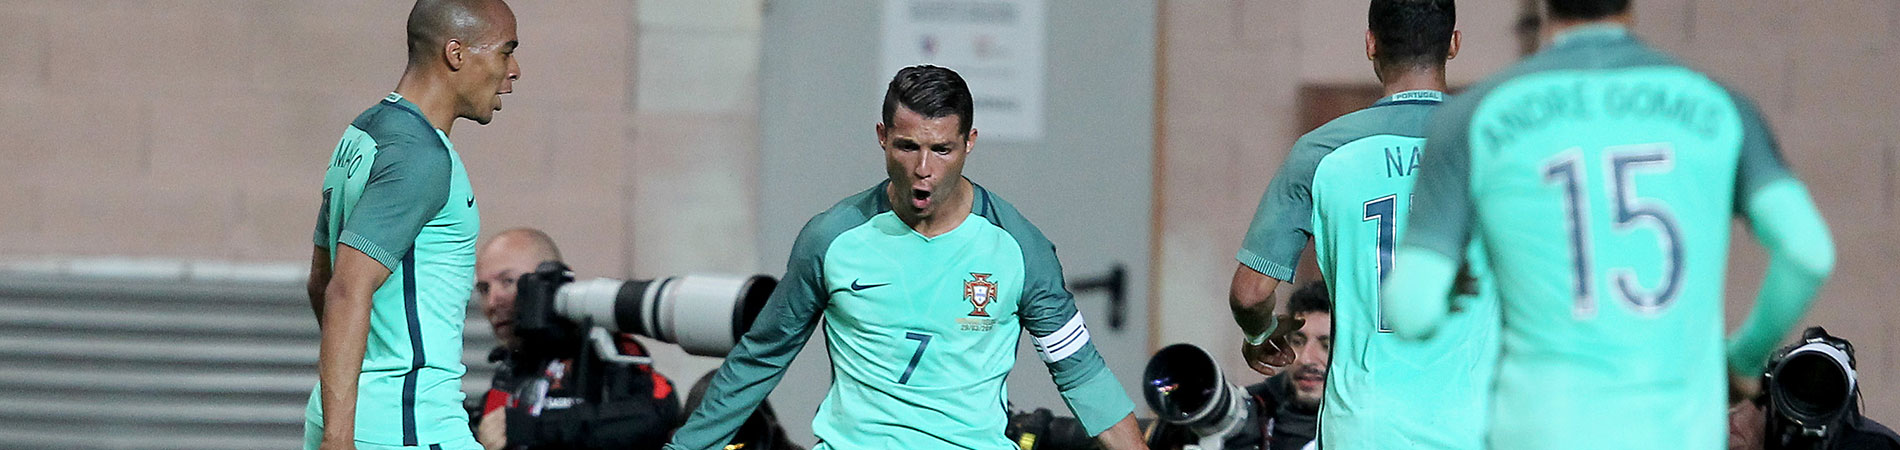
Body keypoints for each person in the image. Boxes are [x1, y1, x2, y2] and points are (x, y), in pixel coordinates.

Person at [1381, 0, 1836, 448]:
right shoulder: (1721, 107)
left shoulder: (1474, 116)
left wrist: (1454, 292)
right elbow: (1808, 253)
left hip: (1542, 429)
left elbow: (1411, 308)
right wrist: (1744, 359)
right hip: (1674, 431)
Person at [665, 65, 1147, 450]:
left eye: (942, 150)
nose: (923, 169)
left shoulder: (1020, 248)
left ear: (970, 143)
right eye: (908, 147)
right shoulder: (831, 238)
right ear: (882, 136)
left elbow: (1080, 370)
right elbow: (760, 358)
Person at [1229, 1, 1493, 447]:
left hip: (1364, 427)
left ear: (1371, 44)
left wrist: (1260, 332)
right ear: (1453, 44)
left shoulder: (1321, 152)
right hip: (1473, 424)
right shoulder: (1499, 145)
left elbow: (1250, 293)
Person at [303, 1, 520, 449]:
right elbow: (345, 289)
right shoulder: (419, 156)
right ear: (456, 54)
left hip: (367, 418)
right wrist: (340, 439)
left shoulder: (364, 132)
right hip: (408, 426)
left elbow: (320, 281)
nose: (513, 70)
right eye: (505, 51)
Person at [471, 228, 681, 449]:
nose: (491, 302)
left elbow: (655, 414)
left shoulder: (601, 349)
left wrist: (536, 428)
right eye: (484, 289)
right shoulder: (508, 370)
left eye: (507, 281)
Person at [1243, 282, 1330, 450]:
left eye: (1326, 345)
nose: (1305, 359)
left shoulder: (1372, 426)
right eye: (1297, 342)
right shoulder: (1251, 407)